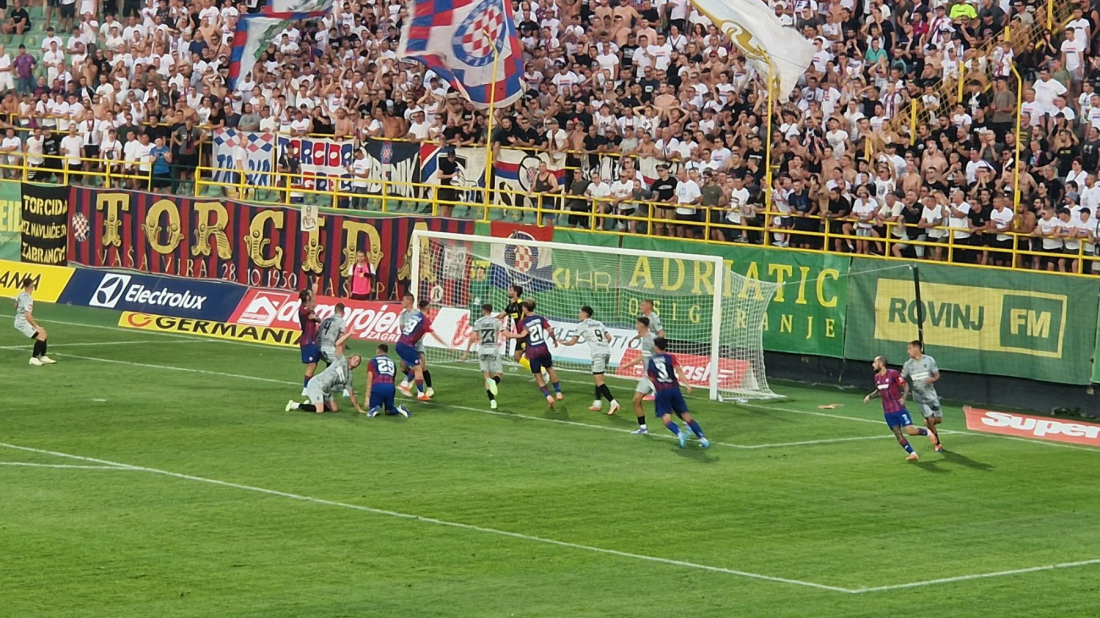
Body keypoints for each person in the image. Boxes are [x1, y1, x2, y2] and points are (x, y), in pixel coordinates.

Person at [862, 355, 941, 461]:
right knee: (898, 433)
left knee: (909, 431)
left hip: (899, 408)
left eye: (875, 362)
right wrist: (869, 396)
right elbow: (879, 390)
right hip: (888, 411)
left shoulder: (893, 374)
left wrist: (903, 397)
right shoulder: (877, 377)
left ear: (881, 363)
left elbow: (905, 385)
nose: (873, 364)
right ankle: (912, 453)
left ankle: (928, 432)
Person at [648, 337, 708, 449]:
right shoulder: (671, 357)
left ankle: (679, 433)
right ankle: (703, 439)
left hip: (662, 391)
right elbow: (679, 370)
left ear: (656, 346)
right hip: (674, 389)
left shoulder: (652, 361)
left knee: (666, 420)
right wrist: (687, 385)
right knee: (686, 416)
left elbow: (651, 378)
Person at [560, 305, 621, 415]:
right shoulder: (599, 323)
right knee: (598, 378)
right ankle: (597, 403)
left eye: (580, 312)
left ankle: (613, 402)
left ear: (584, 313)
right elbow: (609, 338)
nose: (578, 314)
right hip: (606, 352)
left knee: (600, 381)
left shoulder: (582, 325)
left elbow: (572, 342)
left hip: (598, 354)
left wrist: (561, 342)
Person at [504, 299, 564, 409]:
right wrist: (554, 340)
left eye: (523, 308)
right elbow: (550, 330)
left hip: (532, 351)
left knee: (538, 376)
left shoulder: (522, 322)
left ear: (526, 309)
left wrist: (510, 336)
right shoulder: (541, 319)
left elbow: (522, 337)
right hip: (543, 348)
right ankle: (558, 392)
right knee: (550, 369)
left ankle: (548, 396)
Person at [394, 294, 445, 401]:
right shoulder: (424, 320)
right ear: (427, 308)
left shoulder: (414, 316)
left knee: (417, 367)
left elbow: (405, 329)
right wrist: (446, 345)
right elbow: (434, 335)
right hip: (408, 346)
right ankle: (409, 386)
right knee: (418, 368)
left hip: (401, 343)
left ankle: (417, 390)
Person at [901, 341, 945, 451]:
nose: (908, 351)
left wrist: (932, 379)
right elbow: (901, 378)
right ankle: (937, 443)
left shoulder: (929, 360)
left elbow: (937, 375)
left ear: (917, 348)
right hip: (919, 395)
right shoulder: (908, 364)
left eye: (910, 348)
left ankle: (929, 423)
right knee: (929, 418)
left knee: (938, 419)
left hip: (931, 394)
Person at [285, 354, 364, 414]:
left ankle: (312, 404)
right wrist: (349, 334)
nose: (356, 361)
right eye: (354, 359)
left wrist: (359, 409)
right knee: (320, 410)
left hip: (326, 390)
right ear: (349, 359)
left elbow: (352, 395)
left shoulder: (349, 377)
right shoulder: (341, 361)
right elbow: (338, 344)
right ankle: (295, 405)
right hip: (316, 385)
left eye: (358, 361)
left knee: (334, 409)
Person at [618, 316, 658, 434]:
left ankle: (687, 423)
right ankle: (643, 428)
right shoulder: (644, 339)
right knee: (636, 400)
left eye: (637, 324)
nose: (636, 326)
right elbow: (643, 356)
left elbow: (661, 356)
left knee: (668, 405)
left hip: (656, 377)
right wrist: (628, 365)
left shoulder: (652, 339)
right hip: (646, 377)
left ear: (642, 325)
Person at [461, 303, 504, 409]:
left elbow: (472, 338)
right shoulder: (497, 322)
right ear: (491, 310)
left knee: (486, 377)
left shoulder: (478, 322)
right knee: (499, 374)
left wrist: (466, 352)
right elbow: (505, 333)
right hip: (493, 349)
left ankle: (492, 401)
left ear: (483, 311)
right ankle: (494, 382)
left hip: (482, 350)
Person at [14, 277, 54, 366]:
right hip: (23, 322)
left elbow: (15, 306)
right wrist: (36, 326)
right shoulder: (28, 299)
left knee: (43, 333)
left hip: (20, 319)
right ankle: (34, 358)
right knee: (40, 336)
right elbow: (27, 315)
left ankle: (43, 356)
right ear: (32, 286)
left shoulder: (21, 294)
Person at [364, 344, 411, 418]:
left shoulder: (373, 361)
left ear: (378, 350)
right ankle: (399, 409)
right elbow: (393, 377)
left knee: (372, 408)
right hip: (390, 387)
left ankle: (374, 409)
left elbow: (370, 377)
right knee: (389, 410)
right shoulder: (392, 362)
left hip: (378, 386)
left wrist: (367, 396)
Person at [496, 284, 532, 371]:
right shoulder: (511, 306)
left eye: (511, 290)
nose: (508, 291)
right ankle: (539, 372)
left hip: (525, 335)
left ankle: (541, 372)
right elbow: (501, 315)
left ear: (515, 292)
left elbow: (529, 316)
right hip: (519, 336)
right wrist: (488, 320)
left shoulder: (521, 305)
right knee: (521, 356)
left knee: (520, 356)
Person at [297, 285, 321, 395]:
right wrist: (314, 294)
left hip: (313, 340)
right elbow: (312, 310)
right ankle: (305, 389)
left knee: (315, 363)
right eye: (309, 295)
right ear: (307, 298)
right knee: (312, 364)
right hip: (307, 340)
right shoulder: (303, 309)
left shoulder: (308, 309)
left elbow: (317, 318)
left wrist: (316, 318)